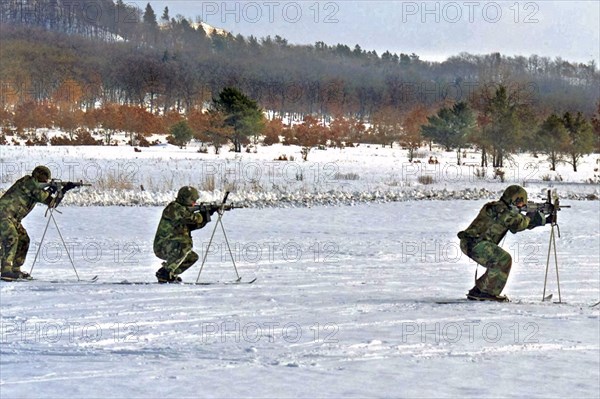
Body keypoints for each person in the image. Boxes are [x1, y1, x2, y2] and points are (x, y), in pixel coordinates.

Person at [457, 185, 552, 301]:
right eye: (521, 202)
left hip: (472, 243)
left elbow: (516, 224)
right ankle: (487, 293)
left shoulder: (500, 208)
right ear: (515, 199)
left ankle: (480, 290)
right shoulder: (501, 209)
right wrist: (536, 218)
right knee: (503, 259)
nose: (522, 205)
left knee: (497, 261)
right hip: (475, 243)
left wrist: (544, 220)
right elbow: (518, 222)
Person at [0, 166, 76, 281]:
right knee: (12, 238)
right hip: (3, 215)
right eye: (45, 180)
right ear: (38, 177)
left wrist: (61, 191)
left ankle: (15, 269)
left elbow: (52, 203)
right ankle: (6, 270)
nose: (46, 182)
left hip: (13, 219)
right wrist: (55, 190)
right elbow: (42, 196)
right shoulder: (28, 182)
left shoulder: (34, 188)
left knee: (24, 239)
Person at [153, 186, 215, 283]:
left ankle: (171, 274)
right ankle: (165, 272)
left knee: (192, 257)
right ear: (186, 198)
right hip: (162, 246)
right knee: (186, 245)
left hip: (171, 245)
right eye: (192, 200)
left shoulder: (182, 210)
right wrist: (202, 215)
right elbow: (192, 218)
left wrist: (207, 216)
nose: (194, 203)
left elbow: (193, 225)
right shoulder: (174, 208)